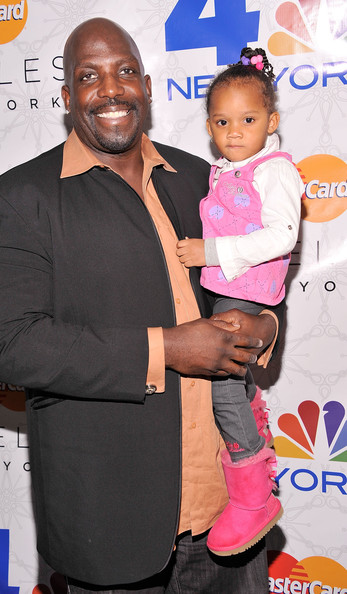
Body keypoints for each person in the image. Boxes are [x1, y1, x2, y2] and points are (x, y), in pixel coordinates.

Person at [0, 20, 283, 594]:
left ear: (145, 84)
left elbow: (247, 275)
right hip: (109, 526)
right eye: (88, 76)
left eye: (124, 71)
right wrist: (165, 347)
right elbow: (7, 345)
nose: (110, 89)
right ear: (68, 99)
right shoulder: (19, 199)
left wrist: (265, 323)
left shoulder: (202, 178)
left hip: (226, 515)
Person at [176, 47, 303, 557]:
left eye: (247, 119)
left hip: (246, 291)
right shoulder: (225, 169)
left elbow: (281, 235)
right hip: (228, 288)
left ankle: (253, 495)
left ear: (270, 121)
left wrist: (212, 251)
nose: (234, 131)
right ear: (209, 126)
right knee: (233, 382)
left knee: (223, 387)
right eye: (223, 121)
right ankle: (255, 440)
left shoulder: (274, 169)